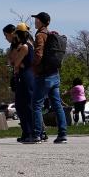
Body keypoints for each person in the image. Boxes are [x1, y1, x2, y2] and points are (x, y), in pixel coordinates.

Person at [31, 12, 68, 144]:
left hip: (44, 76)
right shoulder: (52, 34)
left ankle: (37, 134)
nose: (35, 21)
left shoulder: (40, 35)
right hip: (55, 74)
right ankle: (62, 134)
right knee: (57, 105)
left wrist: (32, 65)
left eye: (36, 19)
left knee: (36, 105)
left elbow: (39, 54)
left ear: (40, 21)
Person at [9, 26, 39, 144]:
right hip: (23, 75)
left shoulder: (25, 46)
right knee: (21, 105)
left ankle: (32, 132)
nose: (14, 36)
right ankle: (27, 132)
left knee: (25, 105)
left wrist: (17, 62)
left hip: (26, 76)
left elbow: (15, 63)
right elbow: (11, 61)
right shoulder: (22, 46)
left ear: (19, 34)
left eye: (16, 34)